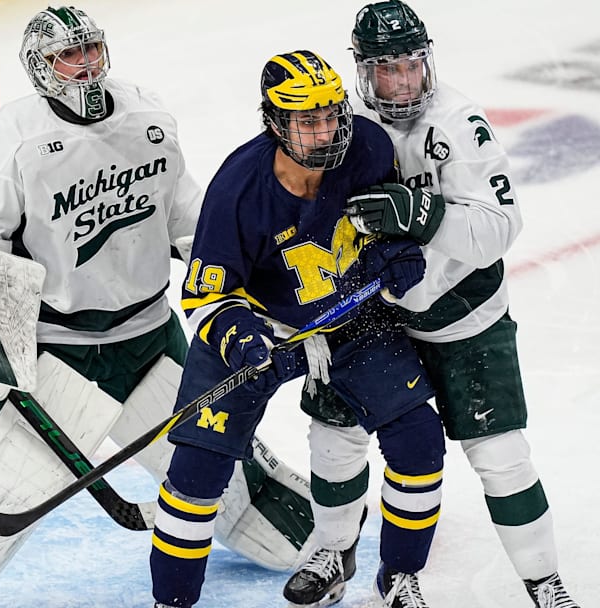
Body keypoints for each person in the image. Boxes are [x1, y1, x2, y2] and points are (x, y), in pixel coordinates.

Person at [0, 7, 318, 608]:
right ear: (41, 68)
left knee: (227, 467)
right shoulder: (19, 138)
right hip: (62, 356)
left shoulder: (147, 118)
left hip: (151, 339)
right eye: (70, 56)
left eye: (92, 51)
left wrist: (244, 275)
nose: (86, 66)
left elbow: (191, 216)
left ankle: (317, 541)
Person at [285, 2, 581, 607]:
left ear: (427, 63)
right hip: (376, 318)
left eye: (409, 67)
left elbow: (501, 228)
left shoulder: (459, 121)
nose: (400, 84)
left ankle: (544, 583)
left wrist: (424, 214)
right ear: (363, 71)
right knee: (336, 435)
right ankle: (333, 549)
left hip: (464, 316)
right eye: (384, 70)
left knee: (501, 457)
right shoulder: (340, 122)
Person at [149, 50, 447, 608]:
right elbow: (207, 293)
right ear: (275, 122)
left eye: (331, 114)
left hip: (350, 315)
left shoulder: (368, 149)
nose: (326, 130)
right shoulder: (238, 189)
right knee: (194, 474)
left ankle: (399, 578)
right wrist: (243, 340)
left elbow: (386, 225)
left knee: (419, 441)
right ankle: (172, 601)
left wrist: (398, 252)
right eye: (307, 120)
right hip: (260, 327)